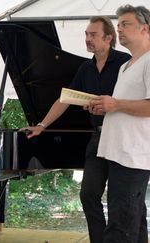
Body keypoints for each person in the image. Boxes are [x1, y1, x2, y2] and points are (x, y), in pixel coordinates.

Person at [20, 16, 130, 243]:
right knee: (88, 194)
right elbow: (65, 99)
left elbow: (134, 102)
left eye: (93, 35)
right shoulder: (85, 68)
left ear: (109, 38)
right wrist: (41, 126)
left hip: (124, 138)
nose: (87, 39)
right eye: (86, 34)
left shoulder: (125, 62)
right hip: (98, 138)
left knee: (126, 201)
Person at [89, 5, 150, 243]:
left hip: (134, 155)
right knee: (134, 221)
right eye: (118, 24)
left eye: (126, 24)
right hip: (119, 153)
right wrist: (104, 107)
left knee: (120, 224)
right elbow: (121, 106)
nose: (119, 29)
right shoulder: (127, 66)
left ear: (145, 28)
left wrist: (114, 105)